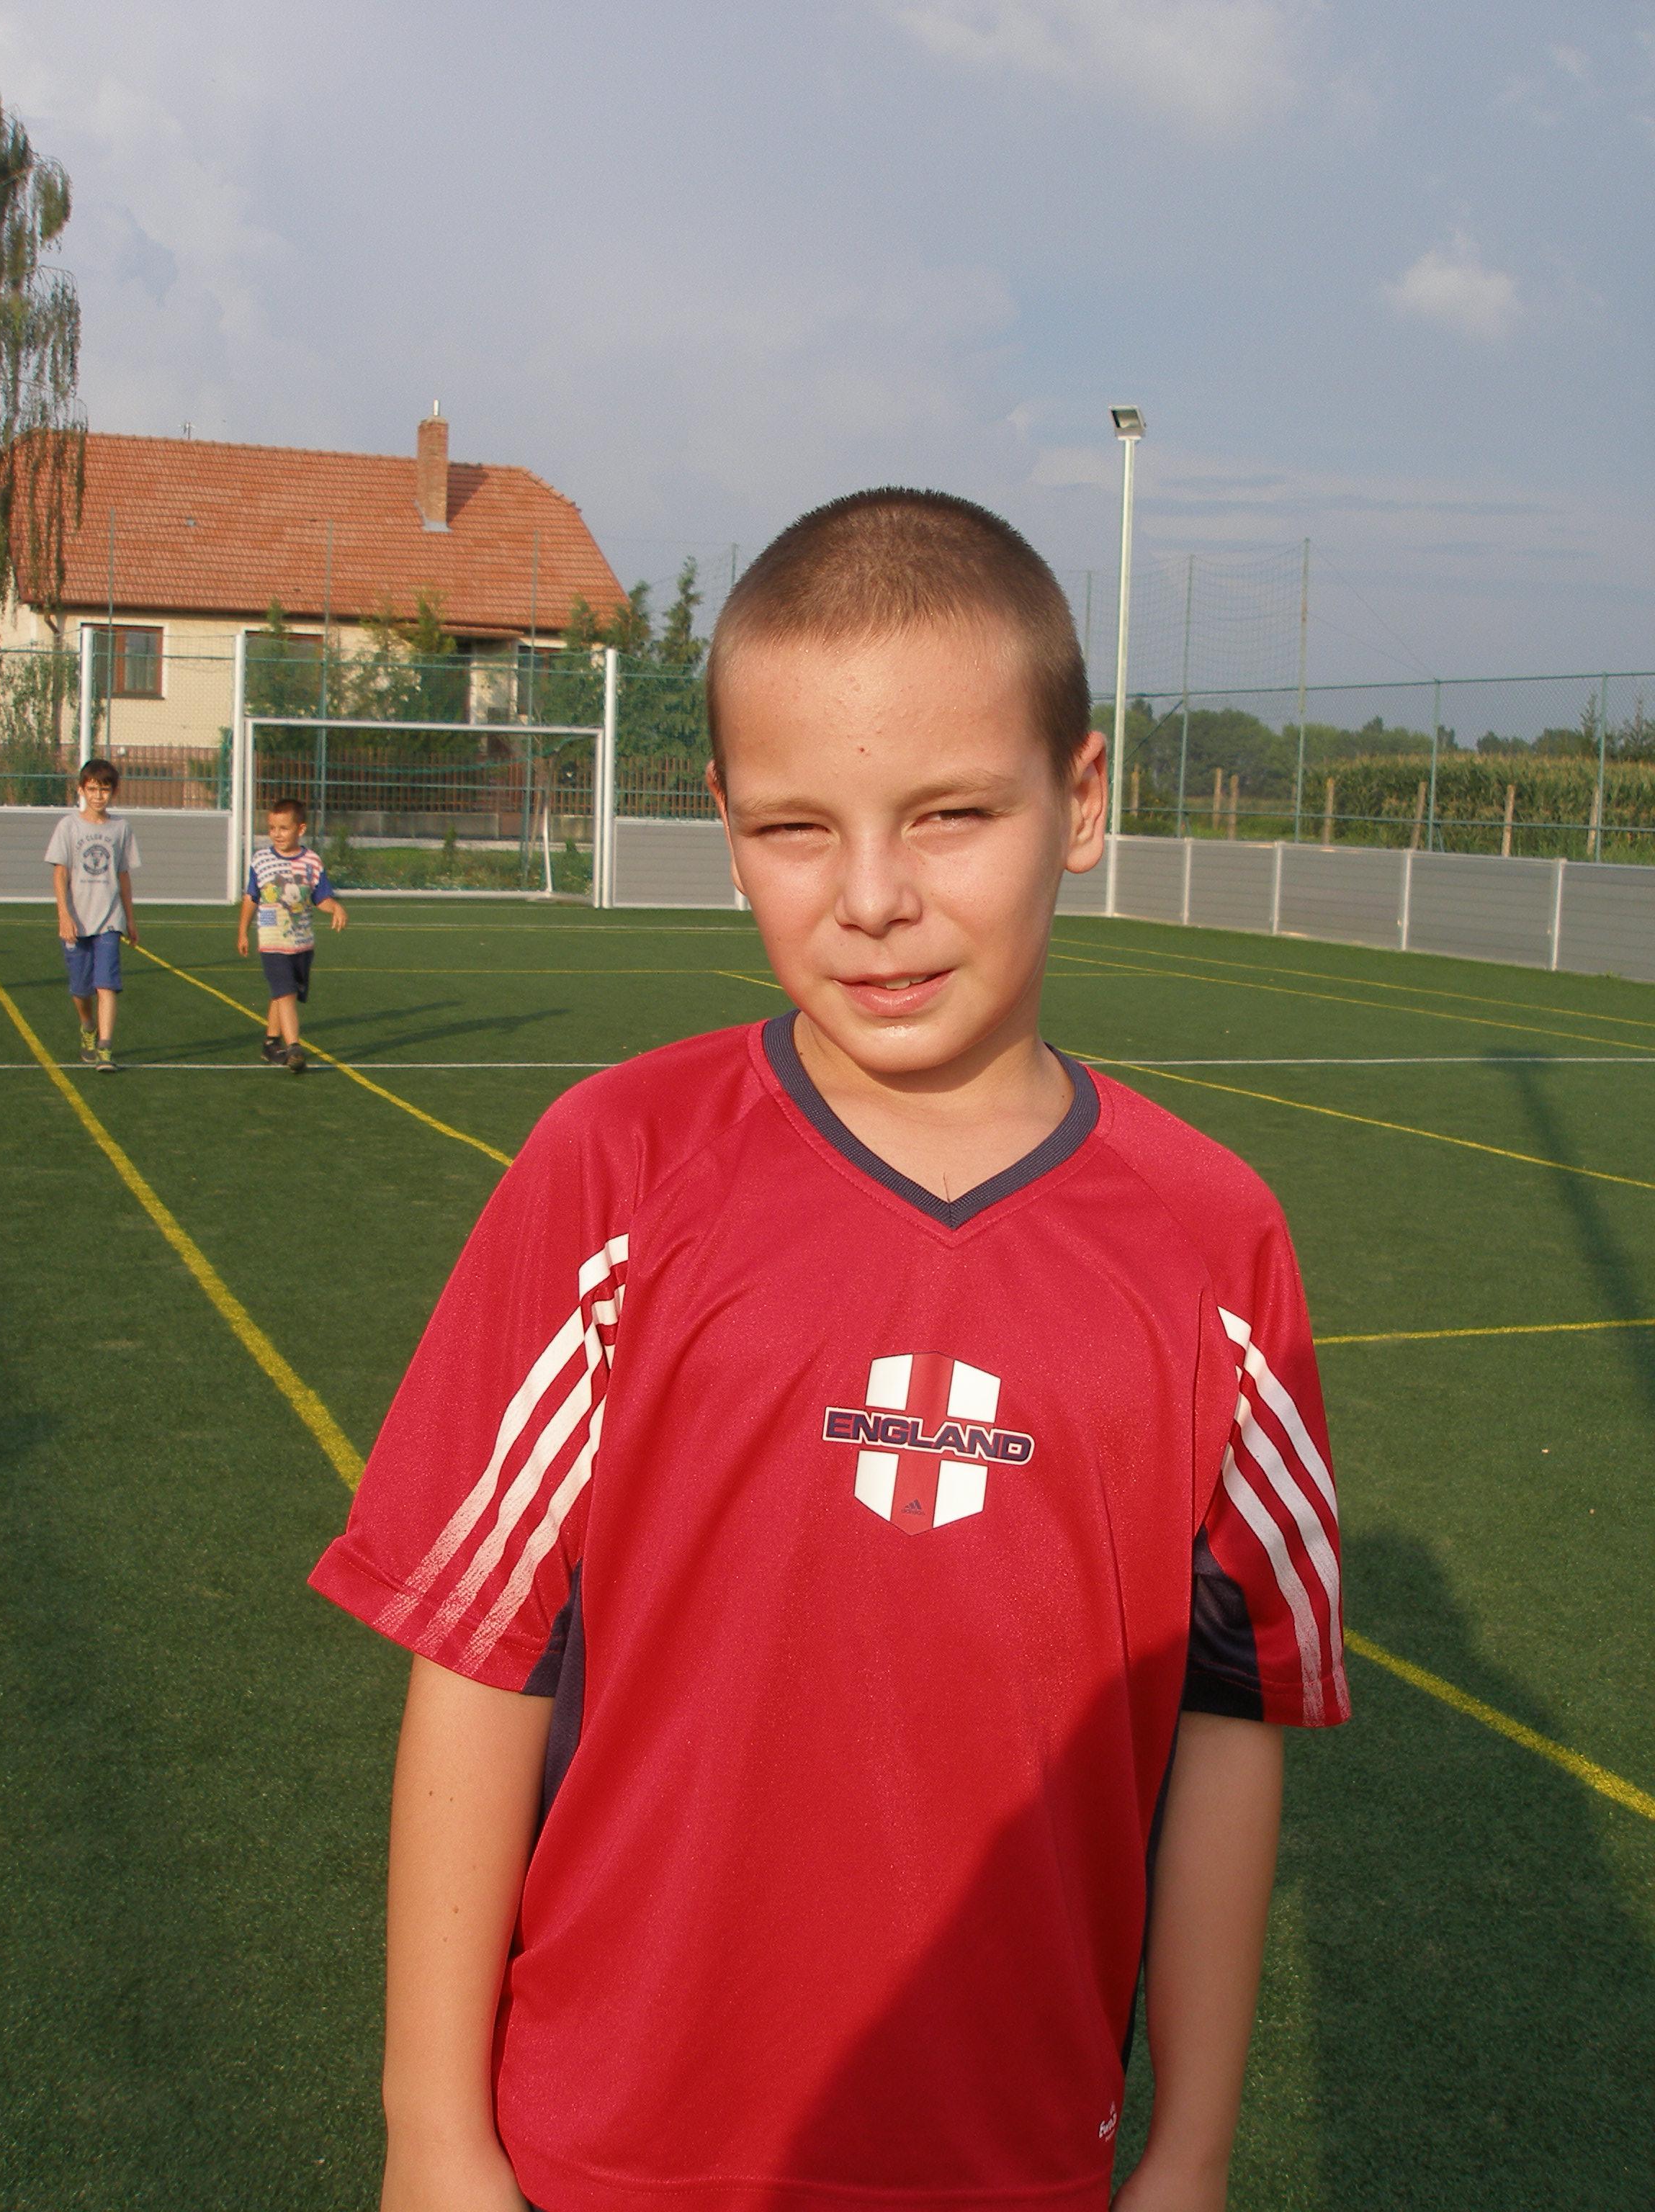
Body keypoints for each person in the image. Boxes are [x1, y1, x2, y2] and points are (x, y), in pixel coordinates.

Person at [312, 490, 1347, 2212]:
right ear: (724, 827)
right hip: (608, 2150)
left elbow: (1229, 1720)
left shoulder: (1215, 1240)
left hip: (1014, 2157)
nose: (873, 898)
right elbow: (484, 1652)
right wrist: (432, 2131)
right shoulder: (615, 1167)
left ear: (1082, 801)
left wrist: (1192, 2154)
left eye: (953, 814)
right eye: (797, 827)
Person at [236, 796, 346, 1071]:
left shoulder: (312, 862)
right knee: (285, 992)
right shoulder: (261, 860)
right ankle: (294, 1047)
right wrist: (243, 932)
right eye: (272, 828)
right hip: (272, 942)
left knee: (285, 992)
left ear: (300, 829)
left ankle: (271, 1043)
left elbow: (321, 898)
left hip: (301, 942)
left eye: (284, 828)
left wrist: (335, 908)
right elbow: (251, 898)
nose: (277, 834)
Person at [47, 757, 140, 1072]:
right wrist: (64, 914)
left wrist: (130, 919)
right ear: (81, 790)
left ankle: (105, 1048)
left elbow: (123, 875)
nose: (99, 796)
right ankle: (88, 1025)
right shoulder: (68, 826)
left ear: (114, 791)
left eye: (105, 789)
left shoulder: (121, 828)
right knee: (81, 989)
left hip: (109, 920)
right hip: (77, 920)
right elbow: (60, 873)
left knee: (107, 985)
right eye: (93, 789)